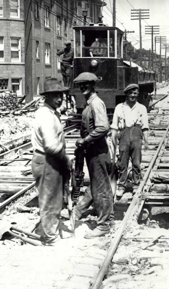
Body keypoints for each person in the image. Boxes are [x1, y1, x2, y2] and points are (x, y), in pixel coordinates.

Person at [31, 78, 72, 245]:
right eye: (55, 95)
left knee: (54, 198)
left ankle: (51, 232)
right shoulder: (46, 116)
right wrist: (66, 159)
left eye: (61, 94)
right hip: (48, 160)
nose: (60, 98)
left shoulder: (51, 113)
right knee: (49, 200)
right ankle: (50, 237)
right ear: (46, 97)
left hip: (51, 160)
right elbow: (50, 146)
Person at [73, 72, 113, 239]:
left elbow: (103, 127)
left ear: (93, 86)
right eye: (81, 85)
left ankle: (104, 225)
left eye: (86, 84)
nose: (83, 87)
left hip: (98, 152)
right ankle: (79, 211)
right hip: (92, 152)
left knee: (101, 189)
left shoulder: (96, 103)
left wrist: (85, 140)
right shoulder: (89, 103)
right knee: (97, 186)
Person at [111, 84, 149, 198]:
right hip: (123, 136)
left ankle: (136, 184)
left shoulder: (142, 108)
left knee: (136, 162)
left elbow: (145, 127)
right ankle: (121, 185)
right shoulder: (119, 107)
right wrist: (114, 141)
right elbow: (114, 126)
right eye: (131, 93)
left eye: (135, 93)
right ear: (126, 94)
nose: (133, 95)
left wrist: (146, 141)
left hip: (137, 136)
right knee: (123, 162)